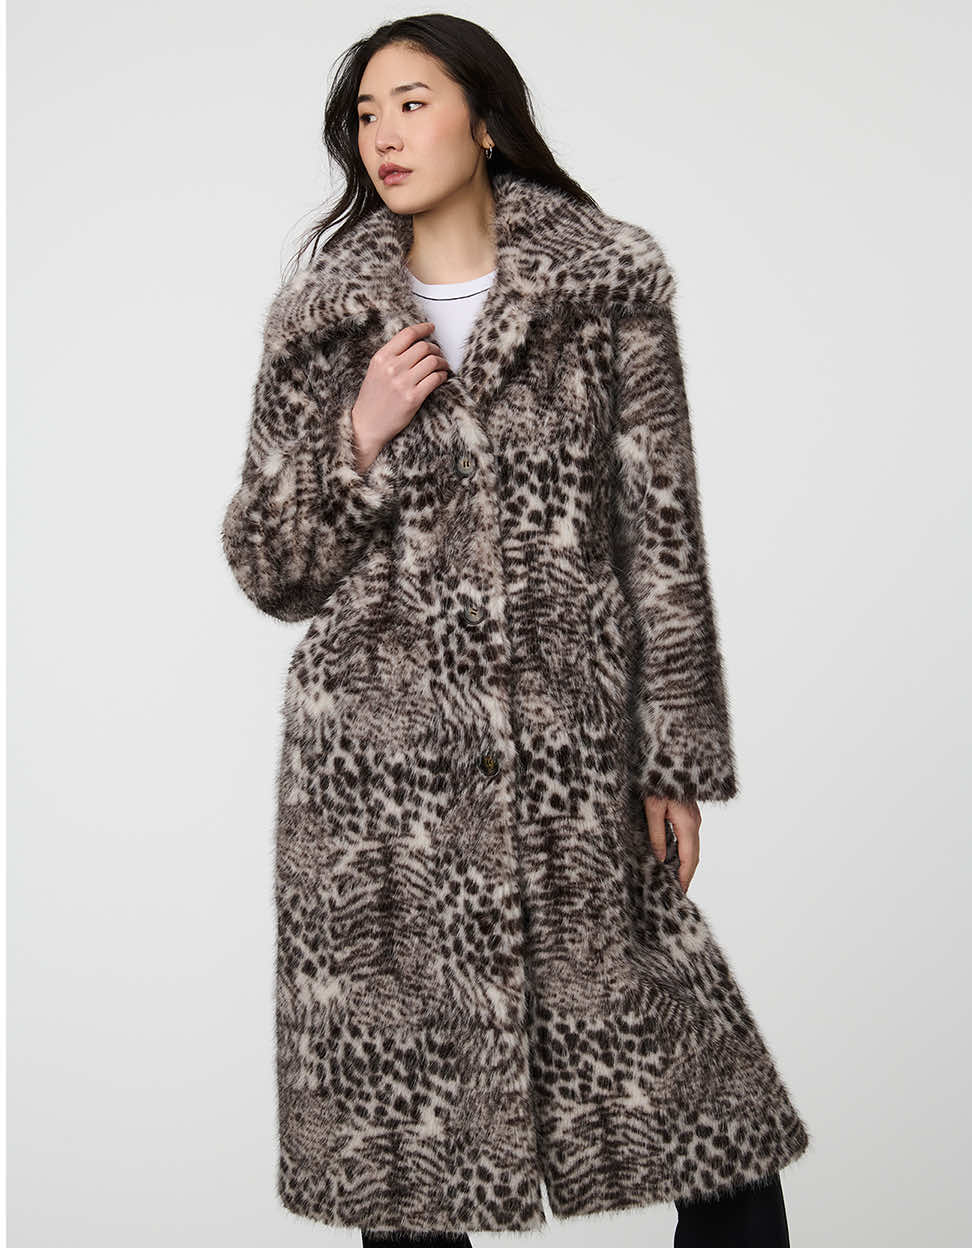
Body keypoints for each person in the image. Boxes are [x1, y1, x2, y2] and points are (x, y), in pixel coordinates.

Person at [221, 13, 809, 1245]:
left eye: (412, 104)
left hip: (567, 767)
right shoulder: (322, 319)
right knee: (408, 1159)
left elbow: (660, 535)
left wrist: (672, 761)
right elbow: (271, 569)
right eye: (366, 115)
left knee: (717, 1122)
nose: (385, 135)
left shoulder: (604, 293)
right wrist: (359, 435)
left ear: (485, 121)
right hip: (379, 796)